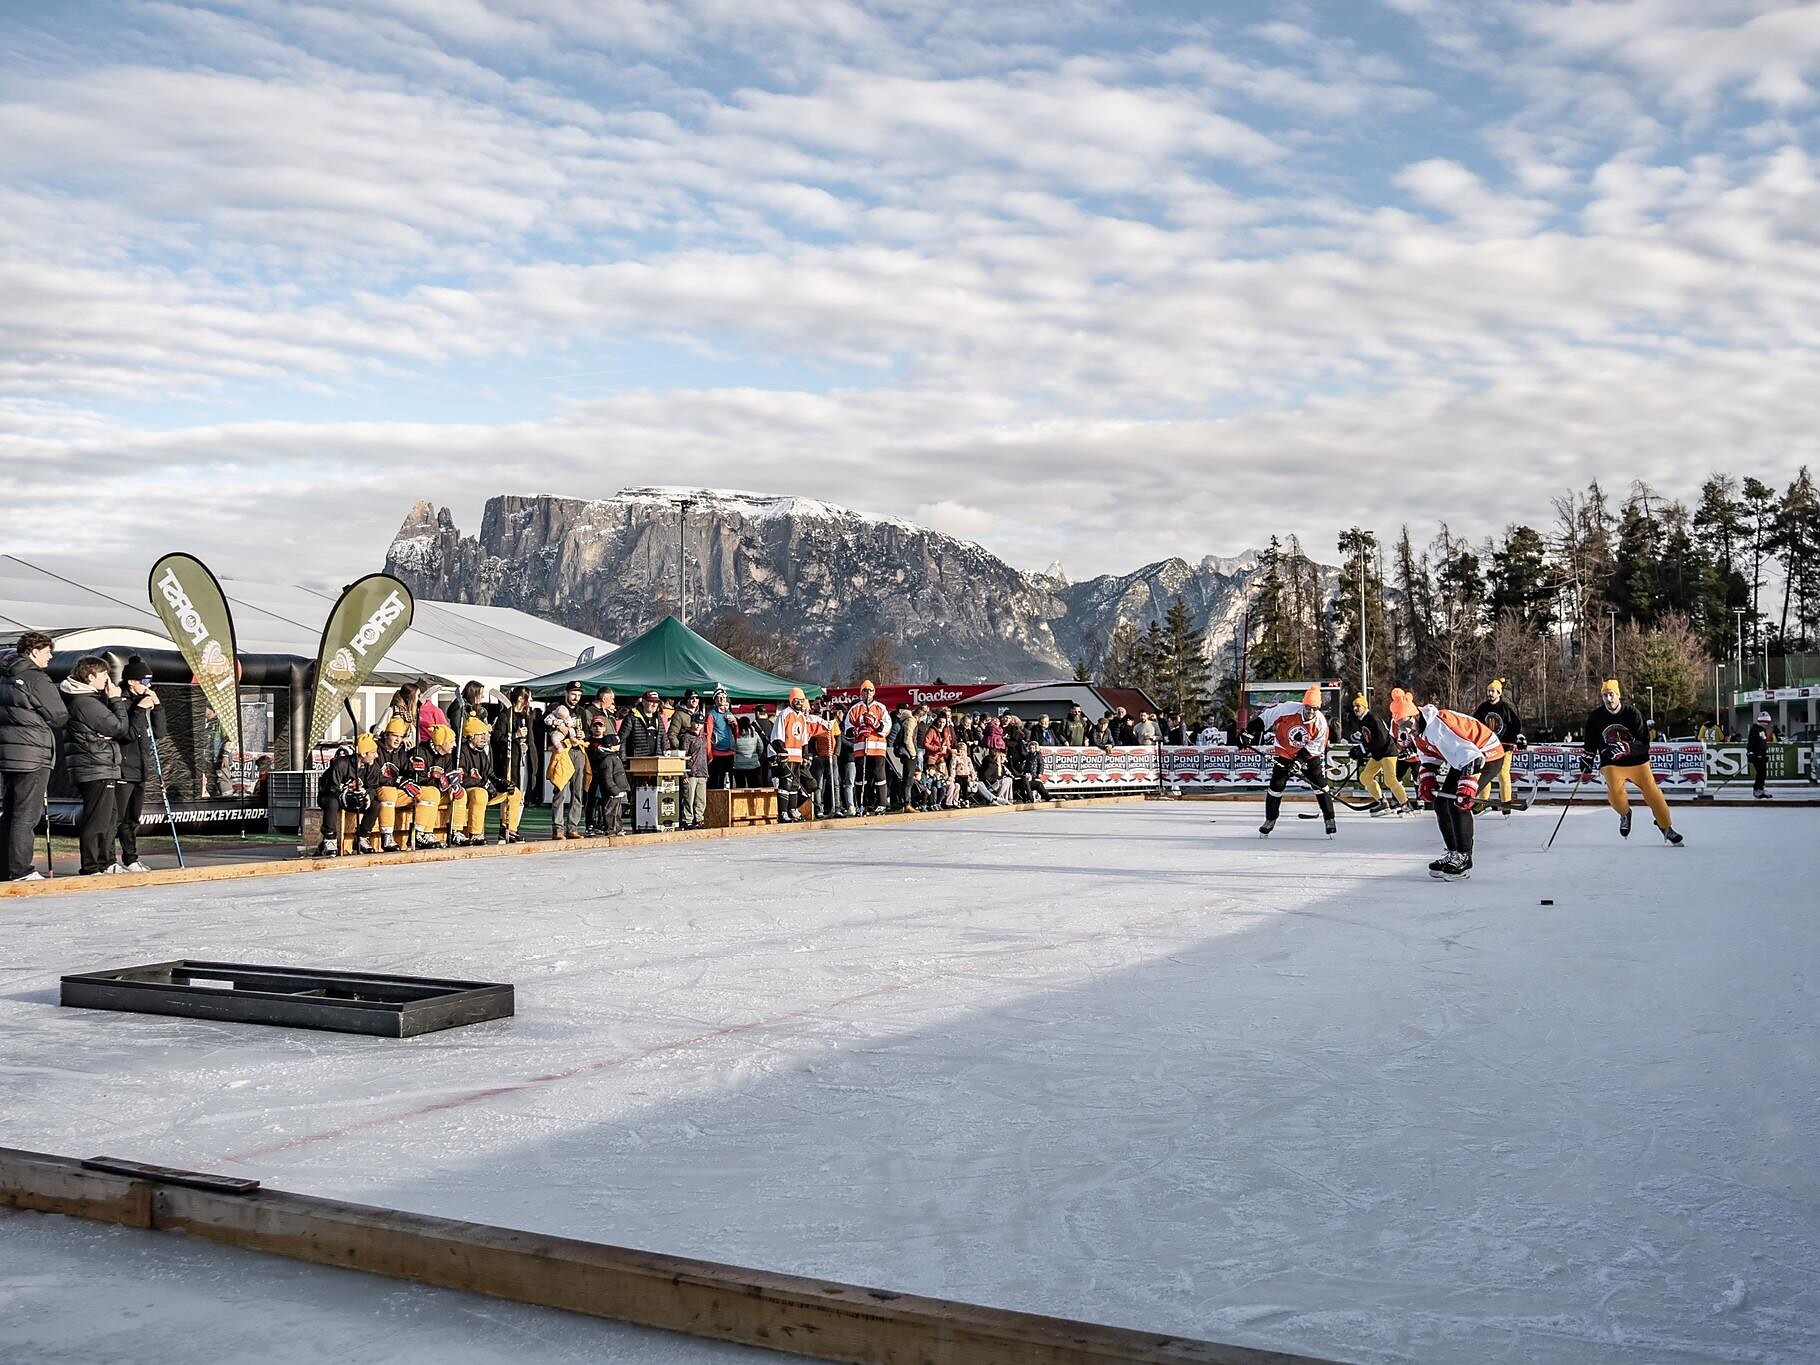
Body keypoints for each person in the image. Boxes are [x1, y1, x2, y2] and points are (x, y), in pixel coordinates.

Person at [1391, 687, 1503, 880]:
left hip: (1486, 754)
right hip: (1462, 758)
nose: (1406, 730)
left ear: (1415, 715)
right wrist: (1427, 779)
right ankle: (1453, 852)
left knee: (1459, 804)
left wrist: (1467, 786)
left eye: (1407, 723)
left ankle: (1464, 857)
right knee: (1442, 802)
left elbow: (1472, 756)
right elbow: (1428, 756)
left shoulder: (1438, 727)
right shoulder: (1417, 731)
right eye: (1401, 726)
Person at [58, 656, 139, 875]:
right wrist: (116, 700)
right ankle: (91, 866)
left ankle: (106, 862)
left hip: (102, 765)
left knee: (109, 817)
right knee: (98, 819)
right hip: (94, 766)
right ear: (90, 676)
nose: (107, 679)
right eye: (103, 674)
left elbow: (113, 730)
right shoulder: (85, 702)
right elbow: (120, 728)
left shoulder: (90, 699)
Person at [1579, 679, 1683, 845]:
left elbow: (1644, 742)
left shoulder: (1632, 713)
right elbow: (1590, 741)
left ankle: (1666, 827)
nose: (1608, 699)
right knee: (1615, 793)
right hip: (1611, 762)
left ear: (1618, 695)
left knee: (1654, 796)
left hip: (1637, 761)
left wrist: (1627, 747)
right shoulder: (1596, 716)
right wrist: (1587, 757)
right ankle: (1625, 814)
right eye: (1605, 695)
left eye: (1611, 694)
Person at [1256, 686, 1336, 838]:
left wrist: (1299, 762)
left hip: (1308, 755)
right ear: (1303, 704)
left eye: (1313, 708)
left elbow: (1315, 747)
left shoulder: (1321, 723)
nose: (1310, 712)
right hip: (1285, 750)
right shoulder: (1289, 708)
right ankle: (1270, 819)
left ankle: (1329, 818)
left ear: (1318, 708)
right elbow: (1267, 717)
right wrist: (1249, 731)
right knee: (1276, 785)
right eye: (1307, 707)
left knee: (1320, 784)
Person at [113, 656, 167, 872]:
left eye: (149, 682)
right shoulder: (121, 701)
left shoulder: (144, 701)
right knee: (116, 818)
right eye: (144, 682)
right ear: (131, 682)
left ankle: (131, 858)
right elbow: (126, 733)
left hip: (141, 768)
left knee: (132, 819)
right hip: (123, 767)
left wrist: (157, 707)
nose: (148, 687)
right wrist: (138, 709)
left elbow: (160, 732)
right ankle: (107, 860)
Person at [314, 733, 375, 857]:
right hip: (330, 795)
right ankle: (329, 840)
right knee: (332, 802)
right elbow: (331, 787)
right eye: (373, 752)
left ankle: (362, 837)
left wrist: (368, 794)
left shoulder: (370, 767)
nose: (376, 755)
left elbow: (373, 785)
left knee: (376, 804)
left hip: (354, 799)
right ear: (364, 754)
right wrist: (344, 795)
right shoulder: (341, 764)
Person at [1345, 694, 1405, 816]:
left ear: (1364, 706)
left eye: (1358, 706)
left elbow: (1381, 739)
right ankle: (1382, 802)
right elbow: (1366, 738)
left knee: (1390, 780)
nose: (1355, 708)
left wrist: (1364, 749)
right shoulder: (1362, 720)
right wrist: (1359, 749)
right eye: (1354, 706)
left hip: (1387, 752)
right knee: (1365, 777)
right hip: (1377, 754)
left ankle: (1405, 804)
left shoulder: (1373, 719)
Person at [1471, 678, 1524, 812]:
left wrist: (1513, 739)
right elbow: (1474, 723)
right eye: (1489, 691)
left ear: (1499, 693)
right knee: (1486, 774)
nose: (1490, 694)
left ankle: (1506, 802)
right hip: (1487, 748)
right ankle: (1482, 801)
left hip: (1504, 748)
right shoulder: (1483, 708)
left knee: (1502, 774)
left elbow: (1516, 725)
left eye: (1493, 691)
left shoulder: (1505, 708)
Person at [491, 687, 535, 843]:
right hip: (508, 761)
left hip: (521, 759)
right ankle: (505, 828)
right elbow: (497, 738)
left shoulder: (525, 716)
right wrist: (515, 735)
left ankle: (513, 828)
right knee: (510, 793)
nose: (529, 701)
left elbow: (529, 738)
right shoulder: (506, 716)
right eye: (527, 698)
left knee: (519, 796)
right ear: (520, 698)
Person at [406, 724, 461, 849]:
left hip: (435, 792)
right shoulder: (420, 753)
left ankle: (455, 831)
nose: (455, 745)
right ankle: (419, 833)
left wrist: (454, 785)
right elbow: (418, 779)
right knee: (432, 793)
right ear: (441, 742)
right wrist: (440, 782)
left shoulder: (447, 755)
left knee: (460, 795)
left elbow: (448, 776)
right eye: (451, 741)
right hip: (415, 791)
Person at [544, 682, 587, 839]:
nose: (576, 698)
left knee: (577, 791)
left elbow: (586, 731)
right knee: (560, 790)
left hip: (578, 751)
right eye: (574, 694)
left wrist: (583, 735)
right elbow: (543, 724)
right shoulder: (556, 707)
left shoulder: (582, 711)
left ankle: (573, 827)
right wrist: (556, 725)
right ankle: (558, 828)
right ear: (566, 693)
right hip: (562, 750)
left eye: (579, 695)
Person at [769, 687, 818, 822]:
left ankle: (792, 809)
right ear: (791, 700)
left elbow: (804, 738)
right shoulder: (784, 714)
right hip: (787, 756)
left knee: (795, 785)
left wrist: (806, 754)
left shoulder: (801, 716)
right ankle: (783, 812)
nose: (799, 703)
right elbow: (777, 736)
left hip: (797, 756)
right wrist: (781, 751)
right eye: (796, 700)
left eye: (801, 700)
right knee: (786, 784)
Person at [846, 680, 892, 815]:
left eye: (870, 690)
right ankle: (863, 804)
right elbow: (847, 729)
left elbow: (887, 727)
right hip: (861, 748)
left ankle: (881, 804)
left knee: (879, 775)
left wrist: (876, 724)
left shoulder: (880, 707)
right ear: (861, 692)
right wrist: (857, 731)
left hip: (877, 747)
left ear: (874, 692)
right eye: (865, 690)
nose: (868, 693)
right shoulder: (855, 709)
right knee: (861, 777)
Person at [371, 717, 414, 851]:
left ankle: (420, 834)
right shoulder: (376, 750)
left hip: (396, 793)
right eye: (394, 736)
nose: (398, 740)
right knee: (389, 792)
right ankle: (387, 836)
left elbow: (407, 772)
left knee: (422, 793)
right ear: (386, 735)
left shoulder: (401, 751)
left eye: (400, 737)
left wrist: (414, 767)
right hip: (378, 792)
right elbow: (375, 776)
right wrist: (398, 781)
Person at [452, 717, 497, 846]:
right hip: (467, 789)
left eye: (485, 734)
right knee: (480, 793)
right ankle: (474, 833)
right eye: (480, 735)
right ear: (471, 736)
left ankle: (509, 829)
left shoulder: (482, 752)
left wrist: (501, 783)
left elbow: (490, 774)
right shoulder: (461, 752)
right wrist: (482, 784)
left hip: (480, 787)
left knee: (514, 793)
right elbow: (461, 779)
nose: (484, 738)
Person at [583, 710, 627, 836]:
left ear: (604, 728)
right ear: (591, 727)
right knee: (591, 801)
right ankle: (590, 824)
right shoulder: (587, 741)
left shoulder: (608, 741)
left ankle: (604, 824)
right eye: (595, 725)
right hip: (591, 775)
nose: (597, 728)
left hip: (605, 777)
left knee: (605, 801)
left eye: (600, 725)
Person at [680, 713, 709, 830]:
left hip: (702, 772)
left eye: (701, 723)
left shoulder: (703, 737)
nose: (698, 725)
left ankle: (699, 819)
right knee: (688, 798)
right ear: (691, 722)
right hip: (690, 773)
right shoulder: (686, 737)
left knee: (701, 799)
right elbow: (682, 756)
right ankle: (687, 820)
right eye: (696, 722)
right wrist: (684, 773)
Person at [706, 686, 736, 789]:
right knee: (716, 783)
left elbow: (736, 734)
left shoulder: (729, 713)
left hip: (729, 753)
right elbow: (708, 736)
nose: (722, 699)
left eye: (724, 697)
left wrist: (736, 724)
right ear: (715, 699)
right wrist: (709, 755)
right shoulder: (712, 715)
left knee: (728, 783)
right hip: (717, 753)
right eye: (719, 697)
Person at [1746, 710, 1775, 799]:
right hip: (1756, 755)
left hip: (1762, 755)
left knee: (1763, 773)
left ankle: (1761, 788)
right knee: (1760, 772)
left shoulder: (1763, 730)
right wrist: (1750, 752)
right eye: (1765, 722)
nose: (1767, 724)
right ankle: (1757, 789)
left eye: (1768, 722)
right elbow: (1751, 742)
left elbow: (1763, 743)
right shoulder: (1754, 729)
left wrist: (1765, 753)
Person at [732, 714, 764, 787]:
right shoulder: (754, 734)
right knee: (754, 786)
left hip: (738, 765)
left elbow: (732, 748)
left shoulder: (736, 735)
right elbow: (761, 747)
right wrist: (757, 757)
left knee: (740, 786)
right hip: (753, 764)